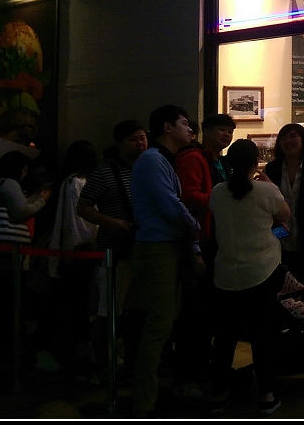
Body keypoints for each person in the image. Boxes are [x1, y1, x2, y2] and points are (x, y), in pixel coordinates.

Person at [128, 105, 203, 418]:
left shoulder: (163, 159)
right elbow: (170, 204)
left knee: (163, 321)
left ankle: (149, 394)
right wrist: (196, 227)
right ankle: (143, 402)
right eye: (184, 123)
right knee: (158, 323)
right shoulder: (153, 159)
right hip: (158, 248)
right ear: (167, 127)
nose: (190, 129)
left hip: (168, 246)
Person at [209, 139, 290, 416]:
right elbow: (284, 214)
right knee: (262, 336)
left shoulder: (217, 192)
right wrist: (269, 183)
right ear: (256, 162)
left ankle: (218, 395)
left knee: (225, 338)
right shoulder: (265, 190)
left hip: (225, 275)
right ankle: (267, 395)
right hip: (262, 272)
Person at [171, 113, 236, 401]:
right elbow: (187, 196)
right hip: (200, 241)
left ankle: (205, 370)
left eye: (229, 131)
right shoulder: (194, 159)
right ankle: (186, 376)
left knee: (211, 313)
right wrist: (221, 200)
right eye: (221, 129)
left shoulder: (222, 162)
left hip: (218, 242)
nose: (226, 135)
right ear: (205, 131)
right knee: (195, 312)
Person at [78, 120, 147, 384]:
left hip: (142, 250)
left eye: (143, 138)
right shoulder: (104, 173)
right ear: (119, 144)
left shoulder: (148, 169)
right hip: (115, 252)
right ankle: (104, 363)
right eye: (133, 139)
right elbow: (83, 207)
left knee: (137, 311)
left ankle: (131, 360)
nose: (140, 144)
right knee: (109, 311)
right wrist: (112, 223)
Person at [0, 152, 48, 371]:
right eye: (24, 170)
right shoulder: (9, 184)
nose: (25, 174)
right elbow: (20, 212)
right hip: (6, 254)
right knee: (9, 304)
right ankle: (11, 354)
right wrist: (41, 199)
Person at [47, 140, 99, 373]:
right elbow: (77, 220)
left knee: (68, 301)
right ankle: (79, 349)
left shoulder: (69, 182)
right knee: (79, 301)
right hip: (79, 250)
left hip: (71, 249)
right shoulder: (77, 183)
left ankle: (68, 348)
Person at [263, 124, 304, 301]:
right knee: (281, 285)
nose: (288, 141)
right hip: (278, 237)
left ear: (303, 140)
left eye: (293, 136)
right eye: (284, 138)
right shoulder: (271, 168)